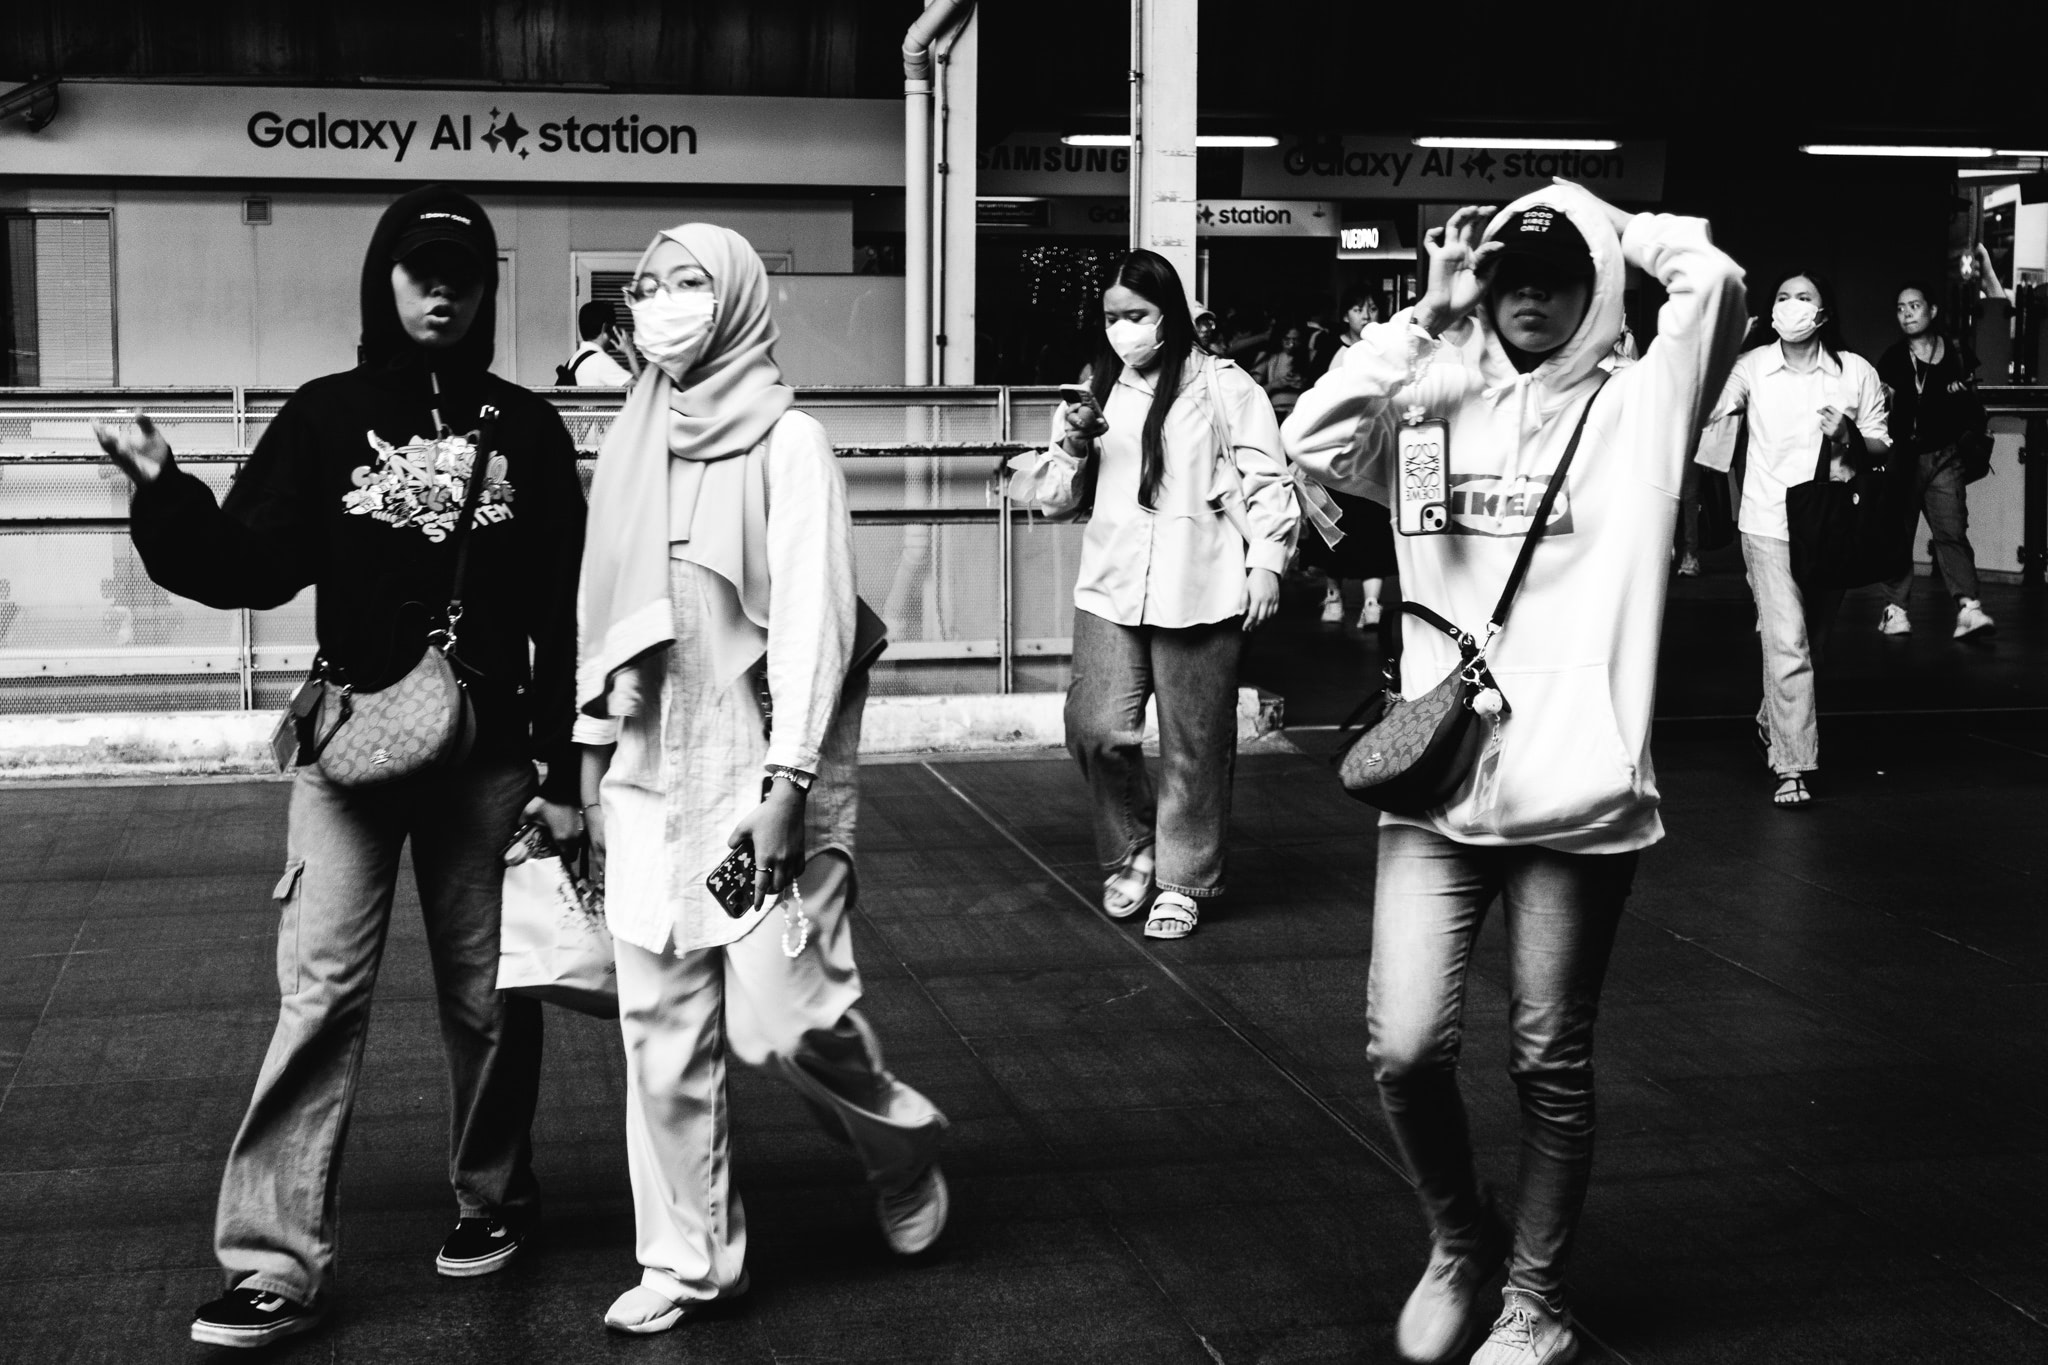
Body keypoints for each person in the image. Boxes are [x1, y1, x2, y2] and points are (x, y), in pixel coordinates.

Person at [93, 186, 587, 1349]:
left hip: (490, 759)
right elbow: (248, 569)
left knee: (491, 996)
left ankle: (493, 1194)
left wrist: (565, 775)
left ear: (485, 289)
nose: (441, 289)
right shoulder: (324, 417)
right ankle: (273, 1262)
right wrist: (163, 488)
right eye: (418, 270)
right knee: (319, 996)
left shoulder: (527, 430)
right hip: (352, 750)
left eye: (460, 273)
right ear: (385, 280)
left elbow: (565, 617)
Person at [1284, 181, 1746, 1365]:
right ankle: (1459, 1240)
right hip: (1436, 784)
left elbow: (1715, 283)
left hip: (1574, 795)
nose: (1530, 295)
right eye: (1510, 275)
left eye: (1557, 272)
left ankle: (1533, 1300)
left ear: (1596, 285)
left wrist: (1601, 216)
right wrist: (1425, 316)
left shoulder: (1642, 408)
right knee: (1401, 1045)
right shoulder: (1437, 401)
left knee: (1546, 1051)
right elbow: (1312, 441)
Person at [574, 223, 949, 1335]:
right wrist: (590, 770)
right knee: (662, 1035)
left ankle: (900, 1154)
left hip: (759, 780)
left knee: (786, 1024)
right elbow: (602, 624)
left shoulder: (789, 444)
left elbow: (814, 623)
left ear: (736, 299)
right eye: (647, 286)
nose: (661, 304)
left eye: (688, 284)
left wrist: (786, 782)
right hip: (648, 778)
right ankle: (689, 1258)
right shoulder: (635, 442)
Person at [1007, 249, 1300, 941]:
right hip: (1109, 586)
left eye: (1135, 315)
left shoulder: (1225, 388)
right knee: (1096, 727)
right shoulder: (1095, 389)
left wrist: (1268, 563)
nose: (1122, 329)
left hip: (1201, 585)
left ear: (1168, 313)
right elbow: (1055, 500)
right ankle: (1133, 845)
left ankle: (1182, 879)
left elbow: (1268, 480)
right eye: (1111, 316)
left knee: (1197, 744)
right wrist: (1072, 447)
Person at [1703, 269, 1889, 808]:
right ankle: (1793, 765)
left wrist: (1849, 436)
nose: (1792, 306)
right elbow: (1707, 405)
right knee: (1788, 644)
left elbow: (1882, 446)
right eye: (1782, 298)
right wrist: (1730, 345)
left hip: (1830, 527)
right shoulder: (1753, 368)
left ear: (1823, 312)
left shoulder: (1854, 372)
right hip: (1766, 524)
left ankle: (1773, 720)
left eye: (1802, 297)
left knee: (1813, 648)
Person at [1874, 281, 1994, 639]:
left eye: (1914, 305)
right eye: (1900, 308)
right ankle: (1894, 610)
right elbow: (1885, 404)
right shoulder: (1894, 358)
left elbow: (1973, 403)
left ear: (1933, 310)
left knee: (1952, 532)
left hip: (1946, 454)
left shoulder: (1957, 351)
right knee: (1900, 534)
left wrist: (1962, 395)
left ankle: (1969, 609)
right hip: (1905, 456)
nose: (1907, 313)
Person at [1314, 286, 1396, 627]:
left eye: (1373, 308)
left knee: (1373, 531)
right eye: (1360, 309)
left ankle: (1372, 604)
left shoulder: (1386, 352)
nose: (1367, 315)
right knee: (1334, 529)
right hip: (1337, 455)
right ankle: (1333, 596)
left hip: (1375, 453)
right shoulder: (1329, 350)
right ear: (1345, 314)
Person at [558, 299, 637, 386]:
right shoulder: (600, 362)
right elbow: (645, 393)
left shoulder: (575, 359)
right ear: (606, 328)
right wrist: (630, 353)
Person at [1255, 322, 1311, 420]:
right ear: (1280, 339)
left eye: (1296, 340)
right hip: (1274, 411)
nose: (1291, 344)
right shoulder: (1269, 357)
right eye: (1287, 339)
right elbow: (1253, 391)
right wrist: (1275, 385)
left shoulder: (1309, 356)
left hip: (1299, 411)